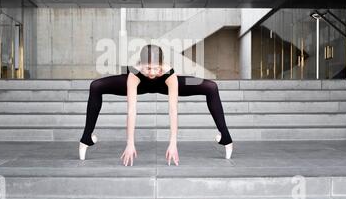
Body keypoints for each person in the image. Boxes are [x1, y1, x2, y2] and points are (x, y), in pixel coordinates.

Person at [79, 44, 233, 165]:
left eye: (155, 68)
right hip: (140, 84)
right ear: (141, 64)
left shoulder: (168, 72)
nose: (152, 73)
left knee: (210, 86)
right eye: (148, 68)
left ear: (161, 64)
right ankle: (86, 138)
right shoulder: (134, 72)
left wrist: (173, 144)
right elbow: (131, 110)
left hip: (164, 84)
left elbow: (173, 110)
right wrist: (130, 143)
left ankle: (225, 137)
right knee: (96, 85)